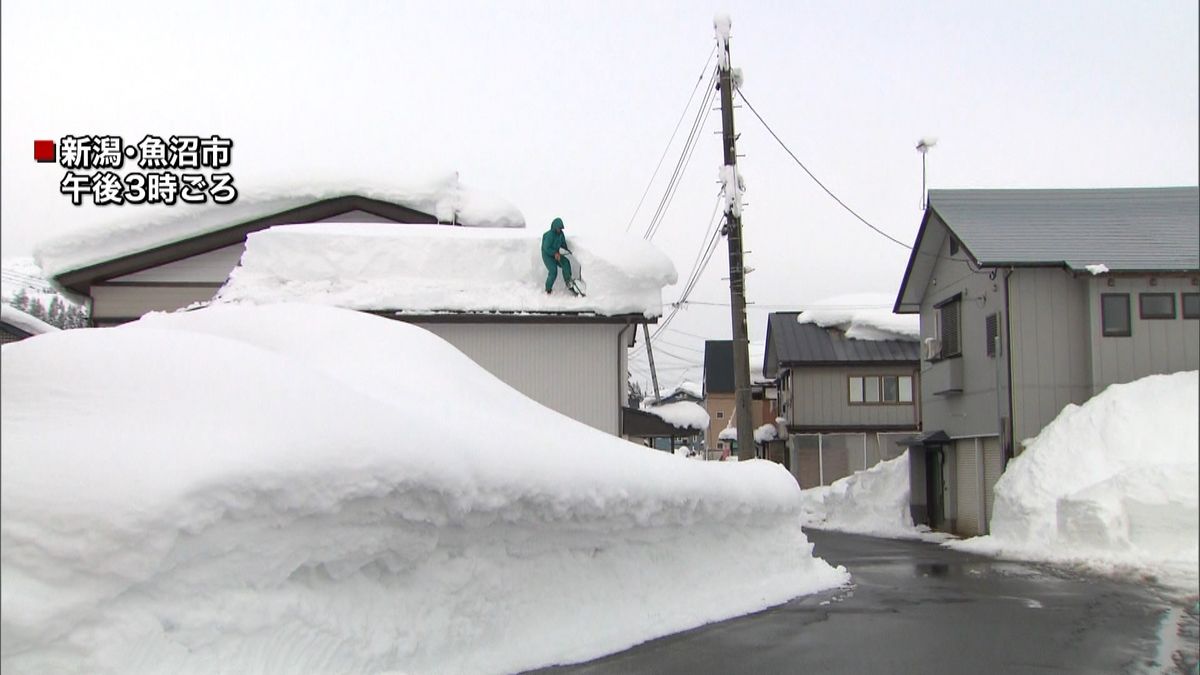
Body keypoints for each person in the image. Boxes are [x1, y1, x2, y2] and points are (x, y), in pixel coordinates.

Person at [540, 216, 574, 294]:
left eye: (561, 228)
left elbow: (563, 243)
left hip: (556, 253)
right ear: (554, 227)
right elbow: (546, 248)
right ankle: (548, 289)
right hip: (547, 255)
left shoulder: (561, 234)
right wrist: (554, 253)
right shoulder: (549, 235)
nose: (559, 230)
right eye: (558, 228)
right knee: (553, 271)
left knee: (565, 262)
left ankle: (568, 281)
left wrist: (567, 250)